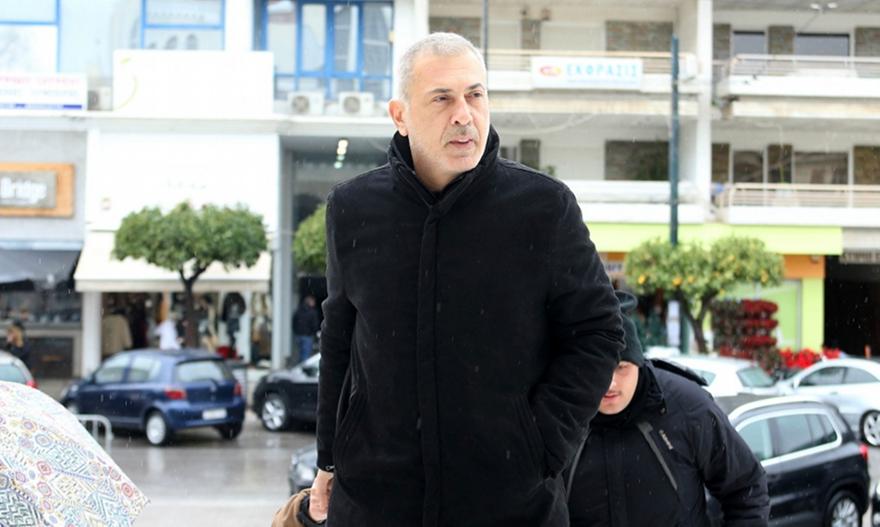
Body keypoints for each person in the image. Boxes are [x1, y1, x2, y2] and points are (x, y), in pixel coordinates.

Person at [309, 32, 624, 526]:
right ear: (400, 115)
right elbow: (340, 337)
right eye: (442, 99)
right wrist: (330, 457)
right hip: (376, 500)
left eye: (475, 95)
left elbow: (597, 332)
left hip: (510, 505)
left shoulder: (543, 207)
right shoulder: (352, 208)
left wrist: (540, 445)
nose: (464, 114)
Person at [565, 291, 770, 527]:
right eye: (598, 369)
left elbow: (746, 489)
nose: (610, 383)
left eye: (622, 367)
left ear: (638, 363)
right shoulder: (561, 413)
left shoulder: (687, 406)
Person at [292, 295, 320, 364]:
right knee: (306, 354)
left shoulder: (298, 311)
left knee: (299, 353)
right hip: (307, 335)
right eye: (313, 301)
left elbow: (294, 322)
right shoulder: (312, 312)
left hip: (298, 335)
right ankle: (303, 368)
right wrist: (314, 333)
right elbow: (315, 325)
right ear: (310, 302)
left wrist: (296, 332)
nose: (314, 303)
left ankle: (299, 366)